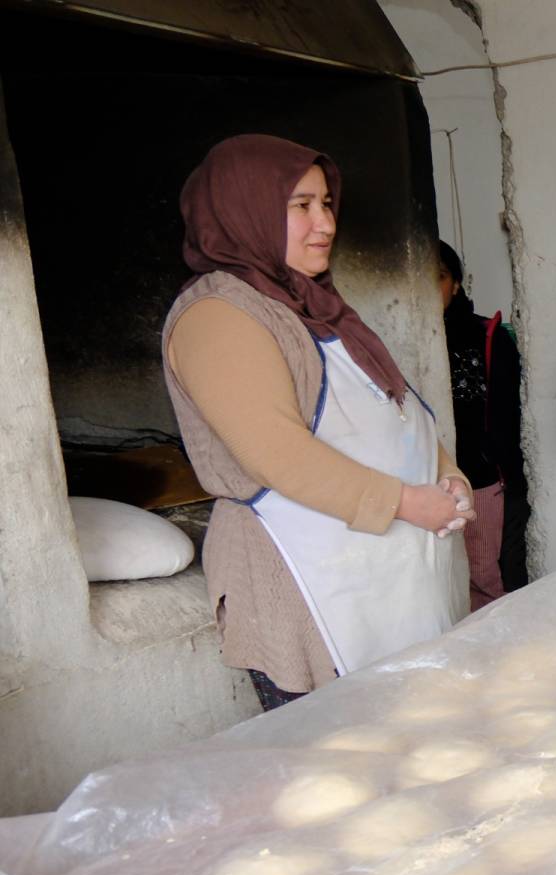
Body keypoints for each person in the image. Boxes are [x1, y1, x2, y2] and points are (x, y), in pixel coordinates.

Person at [162, 134, 468, 711]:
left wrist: (448, 476)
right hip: (303, 585)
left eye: (326, 204)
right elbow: (277, 454)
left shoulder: (317, 306)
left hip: (385, 580)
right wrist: (407, 502)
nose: (324, 223)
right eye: (300, 205)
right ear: (246, 209)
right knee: (341, 754)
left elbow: (395, 409)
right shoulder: (218, 314)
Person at [436, 239, 528, 611]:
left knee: (483, 581)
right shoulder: (393, 341)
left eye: (439, 277)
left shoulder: (486, 338)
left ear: (456, 284)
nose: (430, 289)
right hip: (422, 484)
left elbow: (507, 416)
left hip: (480, 481)